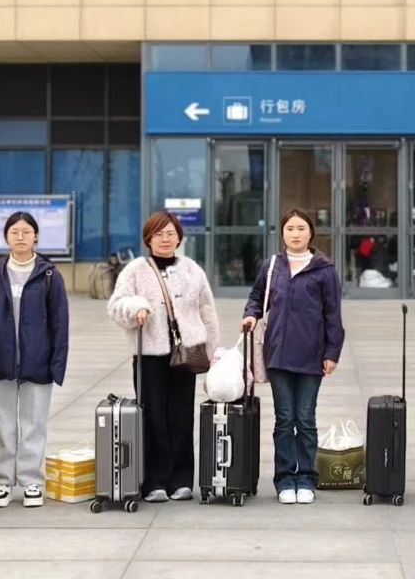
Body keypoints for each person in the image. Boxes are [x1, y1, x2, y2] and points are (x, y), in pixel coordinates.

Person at [106, 211, 219, 503]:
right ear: (148, 239)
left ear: (179, 238)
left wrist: (212, 351)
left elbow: (207, 309)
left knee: (182, 416)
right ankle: (154, 481)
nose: (165, 239)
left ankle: (181, 480)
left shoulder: (192, 269)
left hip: (186, 353)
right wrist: (136, 307)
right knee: (152, 416)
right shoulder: (135, 270)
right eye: (159, 234)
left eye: (170, 234)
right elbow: (116, 305)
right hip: (149, 355)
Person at [241, 209, 345, 505]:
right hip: (278, 355)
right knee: (285, 419)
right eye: (290, 228)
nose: (295, 234)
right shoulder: (272, 265)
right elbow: (256, 297)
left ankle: (307, 479)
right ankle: (285, 479)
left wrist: (332, 352)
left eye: (301, 228)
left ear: (311, 233)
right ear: (283, 233)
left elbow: (333, 315)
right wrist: (250, 315)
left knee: (306, 419)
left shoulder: (324, 269)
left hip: (312, 356)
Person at [0, 211, 70, 509]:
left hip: (38, 363)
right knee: (2, 425)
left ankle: (31, 482)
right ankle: (1, 482)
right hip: (0, 362)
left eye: (26, 231)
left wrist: (57, 364)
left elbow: (60, 323)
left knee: (34, 424)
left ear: (36, 236)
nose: (21, 236)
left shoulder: (49, 275)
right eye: (15, 232)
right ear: (6, 237)